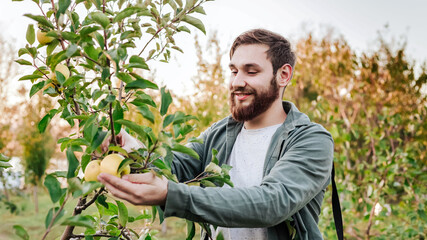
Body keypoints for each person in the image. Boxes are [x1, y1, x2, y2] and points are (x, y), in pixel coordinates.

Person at [98, 28, 334, 240]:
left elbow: (272, 203)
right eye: (233, 71)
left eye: (251, 72)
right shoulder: (220, 133)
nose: (237, 82)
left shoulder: (311, 140)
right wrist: (129, 146)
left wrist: (172, 194)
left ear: (283, 75)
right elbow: (174, 165)